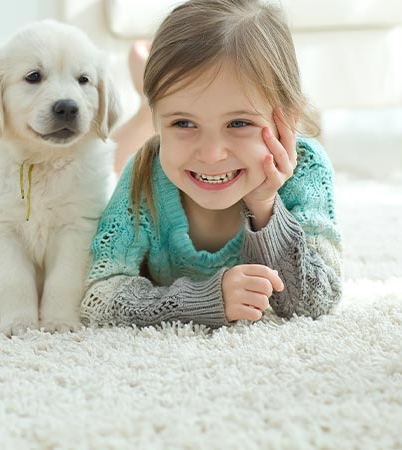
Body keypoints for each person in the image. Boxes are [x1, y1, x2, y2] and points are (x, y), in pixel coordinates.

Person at [81, 0, 342, 328]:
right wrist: (204, 299)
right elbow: (98, 296)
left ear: (287, 118)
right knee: (110, 162)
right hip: (152, 148)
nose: (211, 154)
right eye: (184, 123)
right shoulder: (145, 173)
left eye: (238, 123)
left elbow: (316, 302)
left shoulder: (307, 168)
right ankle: (146, 110)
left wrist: (265, 208)